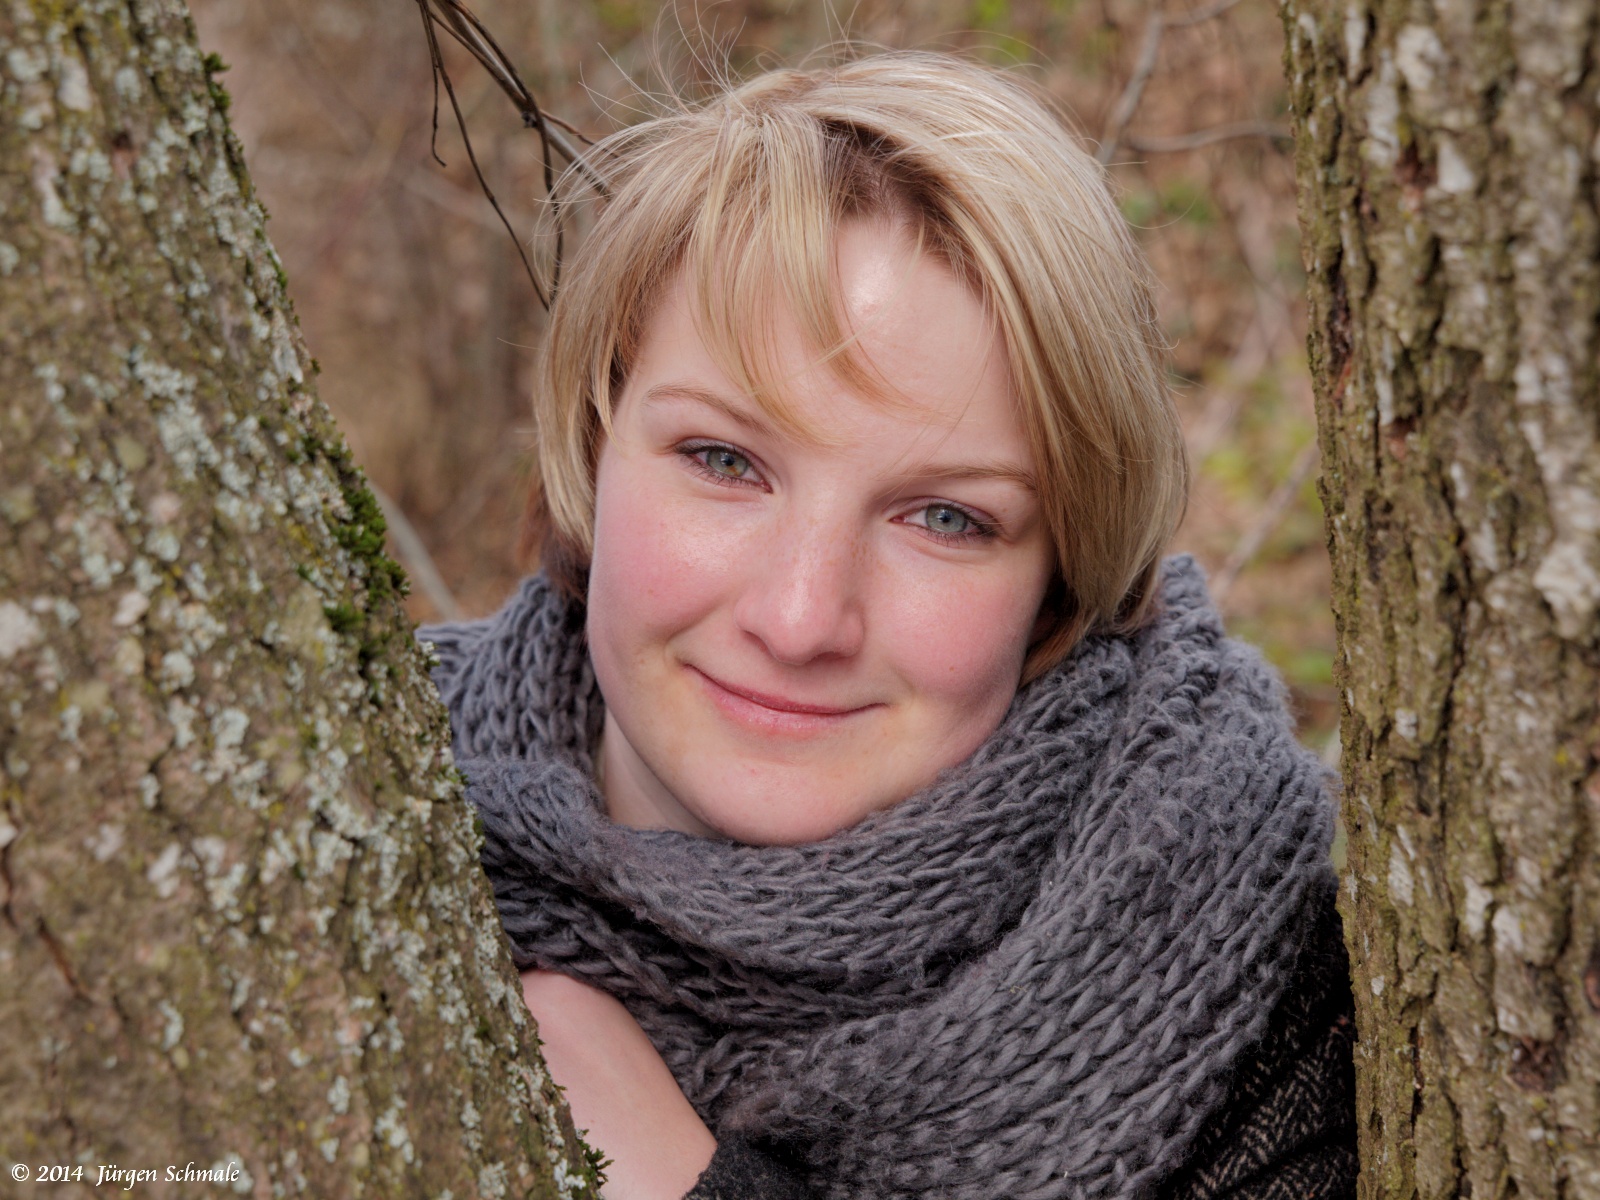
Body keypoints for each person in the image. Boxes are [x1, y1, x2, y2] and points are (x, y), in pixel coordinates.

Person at [422, 51, 1355, 1200]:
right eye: (724, 461)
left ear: (1060, 581)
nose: (799, 617)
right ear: (593, 436)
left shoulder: (1258, 977)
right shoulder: (347, 789)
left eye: (945, 518)